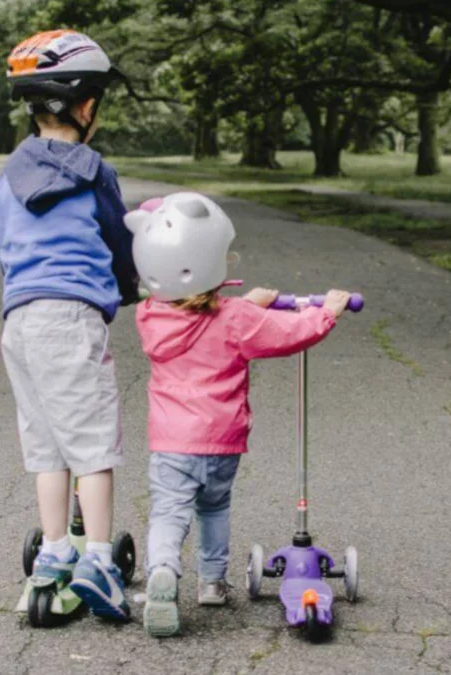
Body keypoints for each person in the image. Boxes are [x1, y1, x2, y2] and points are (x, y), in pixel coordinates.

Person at [124, 192, 351, 636]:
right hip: (221, 441)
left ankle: (163, 571)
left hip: (171, 441)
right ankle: (211, 583)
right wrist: (327, 312)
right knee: (214, 508)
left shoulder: (151, 316)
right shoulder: (236, 319)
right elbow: (287, 333)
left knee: (169, 513)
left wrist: (248, 302)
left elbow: (198, 313)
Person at [0, 29, 138, 621]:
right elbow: (119, 238)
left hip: (20, 321)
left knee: (47, 446)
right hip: (70, 319)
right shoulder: (93, 170)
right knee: (93, 445)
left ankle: (53, 553)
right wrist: (131, 289)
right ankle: (99, 560)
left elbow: (5, 245)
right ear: (85, 108)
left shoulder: (8, 176)